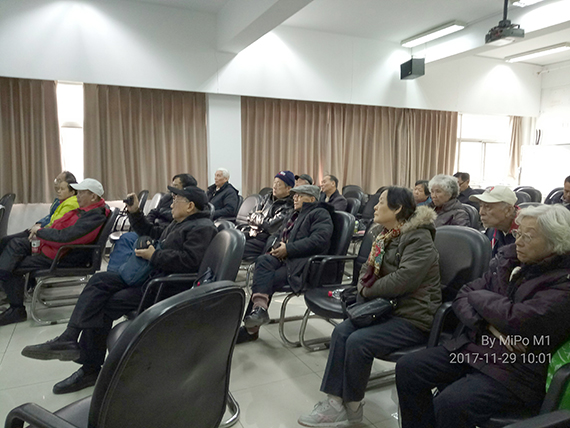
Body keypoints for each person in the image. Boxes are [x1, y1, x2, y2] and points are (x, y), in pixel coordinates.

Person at [22, 185, 217, 394]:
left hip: (164, 287)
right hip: (148, 276)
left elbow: (191, 262)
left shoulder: (202, 228)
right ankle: (70, 337)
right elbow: (153, 233)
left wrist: (155, 256)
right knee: (99, 281)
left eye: (176, 199)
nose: (171, 203)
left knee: (104, 304)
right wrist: (136, 213)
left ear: (190, 206)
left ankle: (89, 368)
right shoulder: (180, 223)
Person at [396, 204, 570, 428]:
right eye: (518, 233)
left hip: (518, 367)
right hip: (478, 346)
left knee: (450, 403)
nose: (518, 241)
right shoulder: (510, 261)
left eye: (528, 236)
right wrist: (487, 325)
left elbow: (517, 319)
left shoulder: (563, 281)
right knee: (409, 367)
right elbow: (463, 294)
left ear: (556, 242)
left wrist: (479, 297)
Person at [298, 187, 441, 427]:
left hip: (413, 316)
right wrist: (365, 286)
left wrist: (367, 290)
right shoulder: (384, 234)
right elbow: (366, 268)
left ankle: (353, 406)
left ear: (397, 208)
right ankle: (335, 403)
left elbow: (404, 280)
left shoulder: (419, 237)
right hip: (386, 307)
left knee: (358, 341)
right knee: (341, 332)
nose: (374, 206)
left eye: (381, 202)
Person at [0, 179, 109, 326]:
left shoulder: (94, 216)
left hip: (63, 256)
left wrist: (40, 232)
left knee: (14, 263)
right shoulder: (88, 210)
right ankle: (5, 282)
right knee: (15, 244)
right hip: (55, 248)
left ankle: (16, 309)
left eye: (81, 193)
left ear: (93, 196)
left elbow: (66, 237)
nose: (77, 196)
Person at [238, 184, 334, 343]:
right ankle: (259, 310)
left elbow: (319, 241)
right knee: (263, 261)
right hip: (286, 258)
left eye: (300, 196)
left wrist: (288, 249)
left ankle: (251, 329)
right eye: (294, 195)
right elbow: (276, 234)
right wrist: (273, 247)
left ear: (312, 199)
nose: (294, 198)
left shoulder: (320, 213)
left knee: (265, 279)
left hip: (302, 264)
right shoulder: (294, 214)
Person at [0, 171, 78, 255]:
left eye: (60, 182)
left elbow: (55, 224)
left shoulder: (70, 204)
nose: (57, 185)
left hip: (44, 236)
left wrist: (39, 229)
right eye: (57, 181)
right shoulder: (60, 201)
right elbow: (51, 216)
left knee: (11, 242)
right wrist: (39, 223)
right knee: (7, 241)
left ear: (72, 191)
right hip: (42, 232)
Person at [239, 170, 295, 259]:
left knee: (235, 247)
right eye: (274, 183)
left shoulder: (288, 206)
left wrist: (258, 217)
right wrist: (260, 220)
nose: (274, 186)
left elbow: (271, 227)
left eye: (279, 184)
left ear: (288, 189)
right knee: (231, 237)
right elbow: (250, 215)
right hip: (252, 233)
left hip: (264, 241)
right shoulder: (267, 198)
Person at [469, 185, 518, 257]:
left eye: (487, 207)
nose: (481, 212)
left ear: (508, 210)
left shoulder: (527, 233)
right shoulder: (492, 228)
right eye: (481, 206)